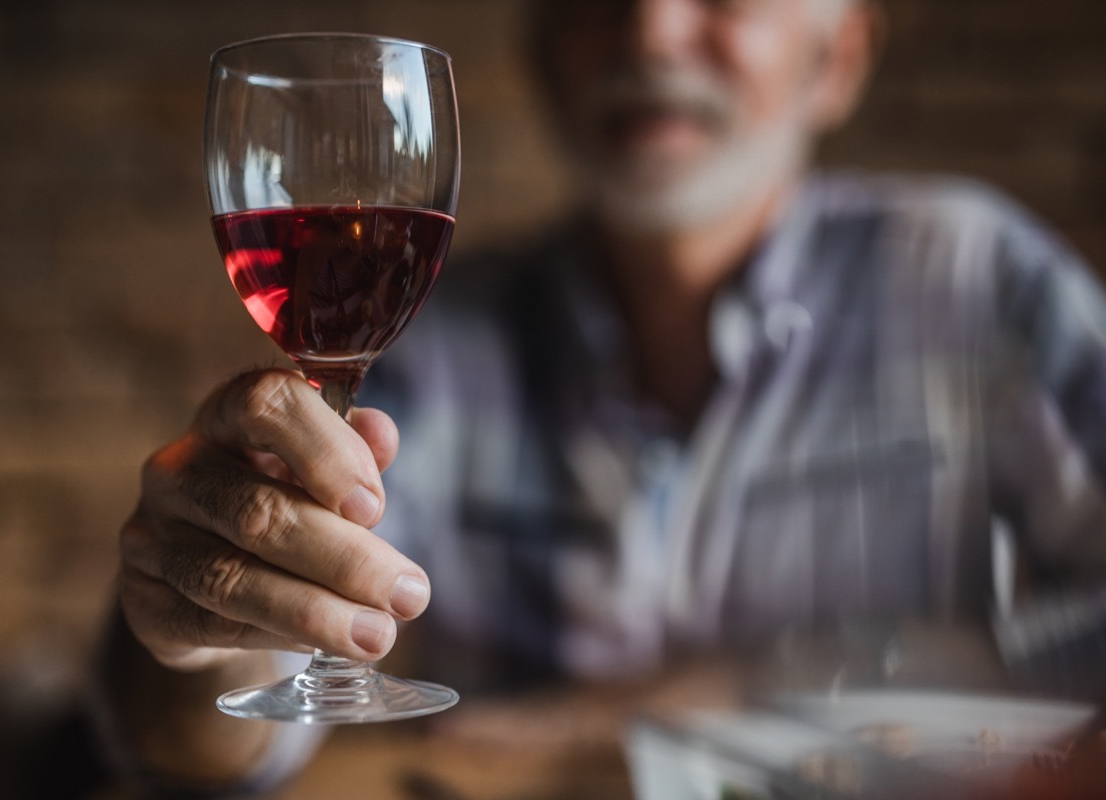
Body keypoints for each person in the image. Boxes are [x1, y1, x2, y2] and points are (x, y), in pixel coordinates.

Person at [98, 0, 1106, 792]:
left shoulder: (977, 285)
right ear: (542, 56)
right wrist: (195, 640)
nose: (650, 27)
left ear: (835, 59)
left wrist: (760, 681)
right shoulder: (426, 338)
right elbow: (208, 758)